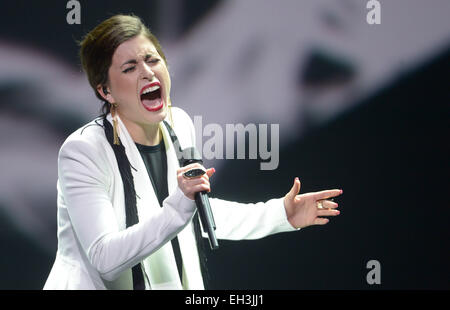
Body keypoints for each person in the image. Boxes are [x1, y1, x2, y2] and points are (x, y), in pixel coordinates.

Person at [43, 14, 342, 290]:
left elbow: (196, 210)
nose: (148, 73)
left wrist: (279, 214)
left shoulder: (179, 124)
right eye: (130, 67)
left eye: (152, 59)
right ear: (105, 91)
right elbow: (105, 258)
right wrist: (178, 206)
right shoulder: (83, 152)